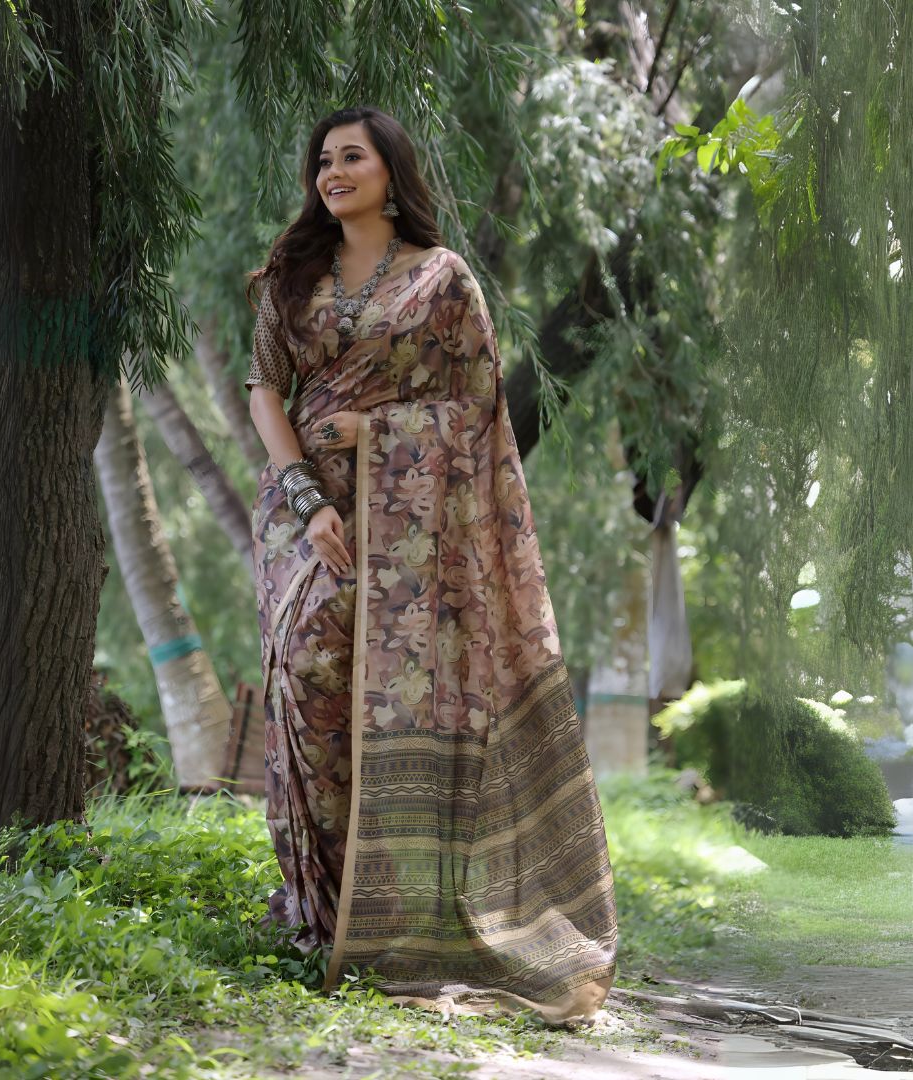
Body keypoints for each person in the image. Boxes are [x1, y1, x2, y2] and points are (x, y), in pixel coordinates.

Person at [245, 105, 618, 1026]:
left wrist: (379, 430)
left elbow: (479, 412)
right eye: (323, 160)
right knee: (306, 673)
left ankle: (394, 919)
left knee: (383, 697)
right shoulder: (291, 275)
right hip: (303, 511)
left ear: (391, 173)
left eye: (352, 157)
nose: (333, 172)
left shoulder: (443, 280)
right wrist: (308, 498)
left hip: (410, 522)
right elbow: (264, 392)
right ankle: (322, 912)